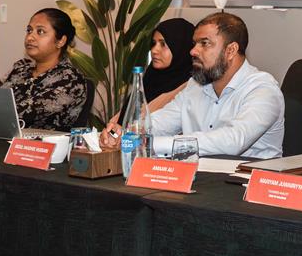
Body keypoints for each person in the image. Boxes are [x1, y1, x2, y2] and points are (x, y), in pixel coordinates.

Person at [100, 12, 285, 158]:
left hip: (247, 187)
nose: (193, 51)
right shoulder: (196, 86)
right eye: (194, 43)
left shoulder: (262, 89)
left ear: (231, 50)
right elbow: (160, 122)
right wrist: (125, 134)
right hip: (200, 182)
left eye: (204, 43)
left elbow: (233, 141)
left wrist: (148, 143)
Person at [114, 18, 195, 122]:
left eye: (163, 44)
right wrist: (113, 128)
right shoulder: (151, 76)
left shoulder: (190, 88)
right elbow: (123, 118)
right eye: (154, 43)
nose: (154, 50)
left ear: (180, 47)